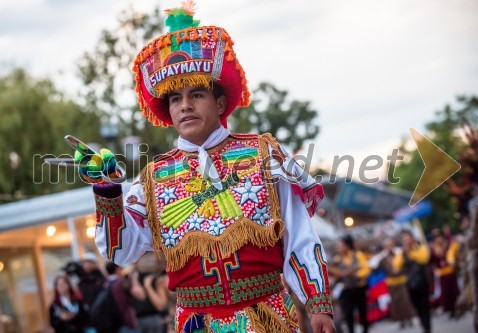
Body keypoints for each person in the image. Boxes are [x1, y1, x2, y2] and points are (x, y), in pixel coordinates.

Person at [74, 2, 336, 332]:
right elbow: (119, 250)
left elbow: (300, 235)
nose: (184, 106)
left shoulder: (262, 154)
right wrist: (107, 189)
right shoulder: (153, 180)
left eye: (196, 94)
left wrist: (318, 303)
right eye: (174, 99)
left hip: (269, 319)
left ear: (221, 103)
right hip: (195, 324)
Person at [394, 230, 431, 333]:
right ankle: (423, 324)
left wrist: (411, 253)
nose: (406, 241)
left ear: (412, 238)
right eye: (404, 239)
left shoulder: (420, 247)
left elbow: (424, 259)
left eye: (407, 238)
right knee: (416, 305)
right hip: (410, 283)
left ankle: (427, 326)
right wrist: (404, 253)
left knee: (425, 305)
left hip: (422, 281)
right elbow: (396, 265)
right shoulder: (401, 252)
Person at [331, 235, 370, 333]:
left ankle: (365, 330)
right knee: (348, 313)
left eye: (340, 245)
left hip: (359, 288)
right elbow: (336, 275)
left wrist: (356, 275)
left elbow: (366, 269)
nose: (338, 248)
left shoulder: (358, 255)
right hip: (346, 289)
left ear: (347, 245)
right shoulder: (337, 259)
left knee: (362, 311)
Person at [378, 237, 414, 328]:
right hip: (391, 283)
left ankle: (409, 318)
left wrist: (400, 270)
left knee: (405, 301)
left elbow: (407, 264)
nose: (389, 247)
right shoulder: (384, 258)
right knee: (396, 302)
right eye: (387, 245)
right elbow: (377, 267)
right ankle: (401, 320)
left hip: (401, 280)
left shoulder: (399, 254)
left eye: (390, 245)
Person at [131, 253, 169, 333]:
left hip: (155, 316)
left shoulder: (156, 277)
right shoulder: (134, 276)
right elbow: (140, 295)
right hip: (144, 317)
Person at [429, 231, 460, 317]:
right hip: (442, 273)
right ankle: (450, 309)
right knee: (446, 293)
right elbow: (431, 262)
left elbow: (454, 254)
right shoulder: (433, 249)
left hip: (450, 271)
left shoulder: (447, 245)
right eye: (436, 238)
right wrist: (434, 269)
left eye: (439, 236)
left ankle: (457, 307)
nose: (438, 239)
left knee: (454, 291)